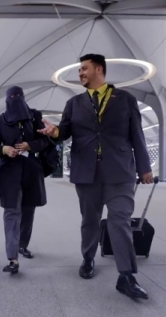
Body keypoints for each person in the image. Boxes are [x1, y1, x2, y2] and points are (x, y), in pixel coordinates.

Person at [38, 54, 153, 300]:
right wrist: (54, 130)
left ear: (99, 69)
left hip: (120, 171)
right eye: (79, 69)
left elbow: (137, 134)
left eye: (83, 69)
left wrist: (144, 167)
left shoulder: (126, 100)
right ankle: (88, 258)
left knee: (119, 221)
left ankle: (126, 276)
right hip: (86, 171)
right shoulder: (74, 103)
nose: (80, 73)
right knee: (90, 220)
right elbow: (64, 132)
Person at [0, 86, 48, 273]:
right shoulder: (1, 120)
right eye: (12, 97)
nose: (15, 99)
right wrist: (4, 149)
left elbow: (46, 141)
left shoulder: (34, 116)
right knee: (11, 211)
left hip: (30, 170)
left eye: (18, 96)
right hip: (9, 172)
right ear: (7, 100)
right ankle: (12, 257)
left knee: (28, 211)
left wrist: (30, 145)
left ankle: (22, 244)